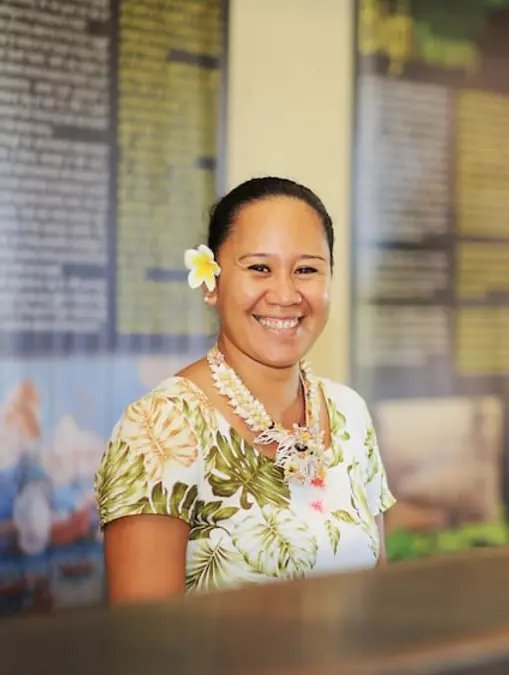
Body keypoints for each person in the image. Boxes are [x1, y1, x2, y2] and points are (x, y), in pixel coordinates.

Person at [94, 177, 395, 605]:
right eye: (259, 268)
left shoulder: (349, 412)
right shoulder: (159, 429)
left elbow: (377, 596)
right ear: (211, 282)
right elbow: (145, 638)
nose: (285, 294)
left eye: (306, 270)